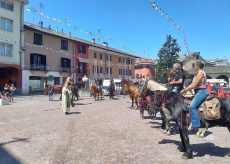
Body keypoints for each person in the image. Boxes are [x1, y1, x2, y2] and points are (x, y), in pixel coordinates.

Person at [180, 60, 209, 129]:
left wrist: (184, 90)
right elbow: (194, 85)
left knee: (192, 106)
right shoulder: (198, 73)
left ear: (198, 66)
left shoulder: (200, 73)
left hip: (201, 92)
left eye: (194, 65)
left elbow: (194, 84)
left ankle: (195, 125)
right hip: (198, 91)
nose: (193, 67)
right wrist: (189, 88)